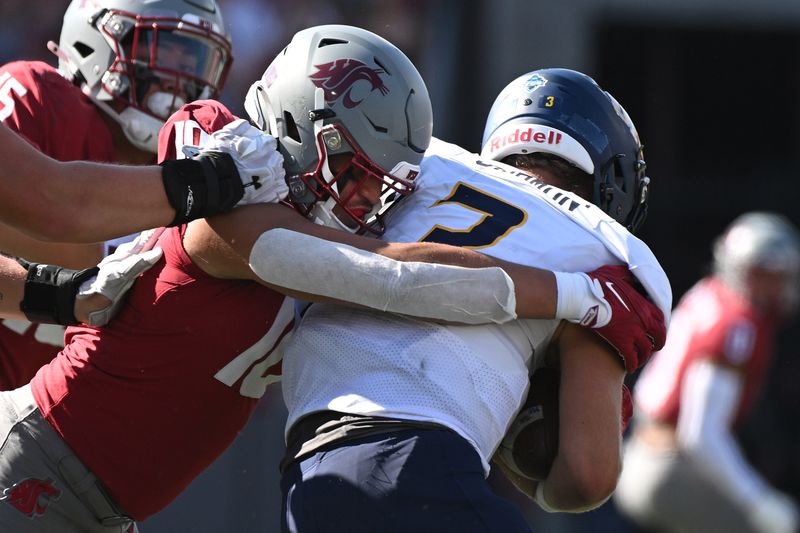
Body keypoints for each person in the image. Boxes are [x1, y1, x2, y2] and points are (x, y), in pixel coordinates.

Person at [0, 29, 663, 532]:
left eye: (385, 186)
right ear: (294, 123)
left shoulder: (313, 223)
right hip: (38, 460)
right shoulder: (229, 170)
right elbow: (391, 274)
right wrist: (580, 296)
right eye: (354, 172)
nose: (365, 204)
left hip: (96, 495)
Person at [277, 68, 672, 532]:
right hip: (417, 465)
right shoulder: (604, 252)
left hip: (306, 479)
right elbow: (588, 477)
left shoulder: (416, 166)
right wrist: (518, 459)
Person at [0, 0, 243, 391]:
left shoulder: (187, 159)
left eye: (193, 61)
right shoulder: (41, 98)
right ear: (96, 42)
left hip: (56, 425)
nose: (179, 80)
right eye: (164, 51)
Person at [615, 212, 800, 533]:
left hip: (641, 455)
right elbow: (701, 434)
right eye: (772, 275)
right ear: (749, 272)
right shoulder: (736, 326)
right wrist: (758, 499)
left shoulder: (709, 293)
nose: (781, 285)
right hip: (669, 466)